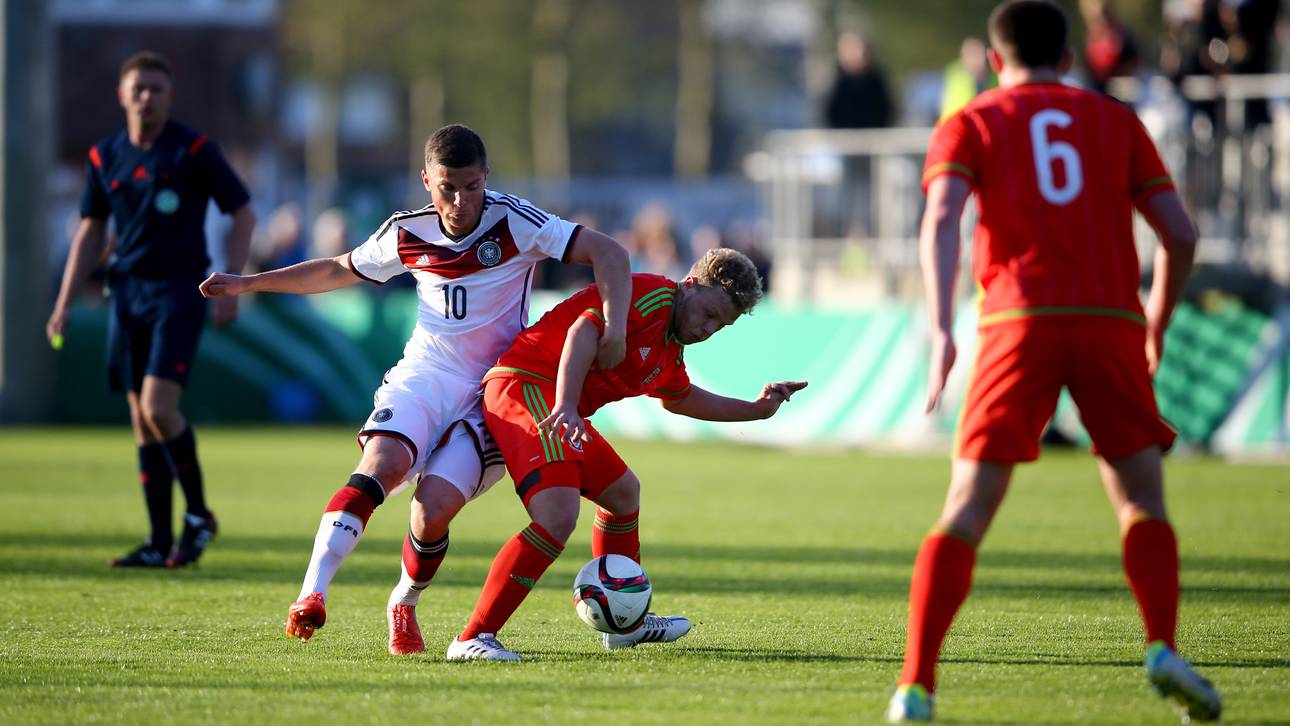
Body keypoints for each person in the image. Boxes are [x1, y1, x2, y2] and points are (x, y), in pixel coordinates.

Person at [885, 2, 1220, 722]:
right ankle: (1162, 645)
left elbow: (942, 217)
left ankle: (917, 687)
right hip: (1110, 321)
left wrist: (943, 326)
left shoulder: (971, 120)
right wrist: (1156, 323)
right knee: (1141, 502)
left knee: (967, 509)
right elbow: (1181, 236)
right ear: (1069, 60)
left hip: (1016, 319)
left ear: (995, 61)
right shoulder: (1115, 120)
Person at [199, 124, 631, 655]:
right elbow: (339, 269)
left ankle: (404, 601)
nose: (459, 200)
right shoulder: (406, 231)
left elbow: (608, 251)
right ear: (426, 179)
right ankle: (311, 594)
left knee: (431, 511)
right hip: (427, 373)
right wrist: (248, 283)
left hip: (495, 391)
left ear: (486, 179)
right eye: (447, 187)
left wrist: (615, 328)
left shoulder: (515, 220)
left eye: (471, 186)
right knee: (380, 465)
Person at [445, 249, 807, 660]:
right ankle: (473, 637)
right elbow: (584, 330)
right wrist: (565, 405)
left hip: (557, 403)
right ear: (689, 286)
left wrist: (757, 410)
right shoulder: (651, 295)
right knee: (557, 518)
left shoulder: (671, 345)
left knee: (622, 493)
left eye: (719, 325)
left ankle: (625, 627)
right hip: (527, 385)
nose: (708, 329)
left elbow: (680, 397)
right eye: (708, 313)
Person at [46, 51, 256, 569]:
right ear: (122, 95)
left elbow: (243, 211)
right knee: (141, 419)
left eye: (156, 89)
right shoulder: (104, 157)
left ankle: (201, 514)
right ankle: (159, 541)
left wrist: (234, 280)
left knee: (160, 409)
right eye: (138, 88)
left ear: (169, 95)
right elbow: (90, 232)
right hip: (127, 293)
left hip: (179, 291)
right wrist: (64, 302)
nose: (147, 97)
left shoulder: (194, 150)